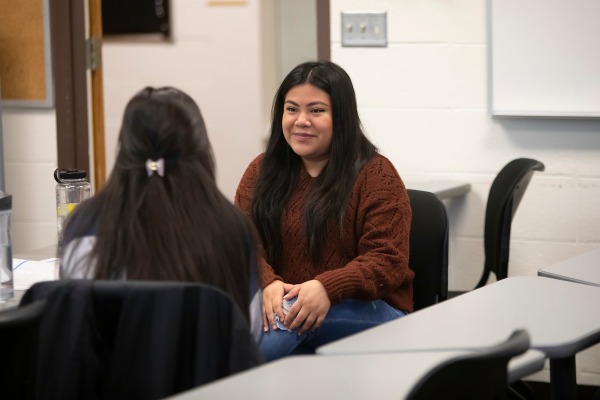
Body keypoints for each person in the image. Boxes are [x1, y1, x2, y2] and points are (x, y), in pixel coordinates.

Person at [235, 60, 413, 361]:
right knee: (267, 321)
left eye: (316, 110)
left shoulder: (376, 174)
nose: (300, 120)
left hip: (372, 310)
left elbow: (387, 261)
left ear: (341, 117)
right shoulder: (261, 170)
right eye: (291, 109)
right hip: (289, 308)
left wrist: (327, 288)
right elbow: (242, 243)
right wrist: (268, 282)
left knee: (286, 321)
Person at [60, 86, 262, 340]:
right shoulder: (230, 227)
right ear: (200, 149)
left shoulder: (84, 223)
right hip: (210, 379)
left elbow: (73, 332)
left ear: (124, 149)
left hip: (112, 379)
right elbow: (250, 331)